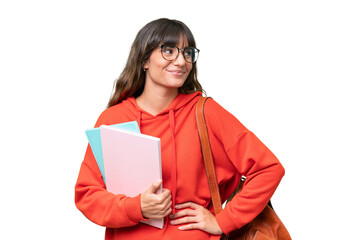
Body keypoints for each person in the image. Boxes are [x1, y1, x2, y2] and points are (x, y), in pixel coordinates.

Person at [75, 18, 285, 240]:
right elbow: (87, 195)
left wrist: (223, 221)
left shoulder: (206, 113)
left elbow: (268, 169)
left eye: (187, 53)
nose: (181, 61)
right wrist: (137, 207)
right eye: (169, 51)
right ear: (144, 60)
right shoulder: (113, 119)